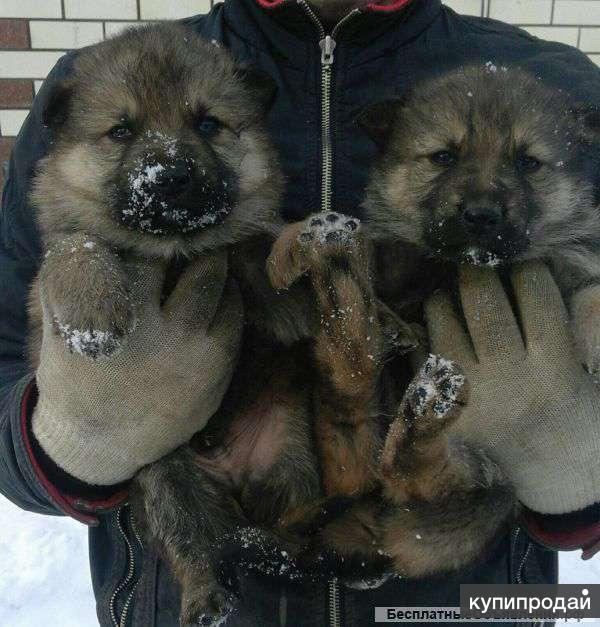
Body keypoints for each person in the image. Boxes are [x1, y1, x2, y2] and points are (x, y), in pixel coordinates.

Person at [2, 1, 600, 625]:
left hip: (474, 601)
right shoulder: (95, 76)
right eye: (122, 133)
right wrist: (78, 442)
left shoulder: (562, 87)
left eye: (208, 127)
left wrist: (576, 467)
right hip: (189, 592)